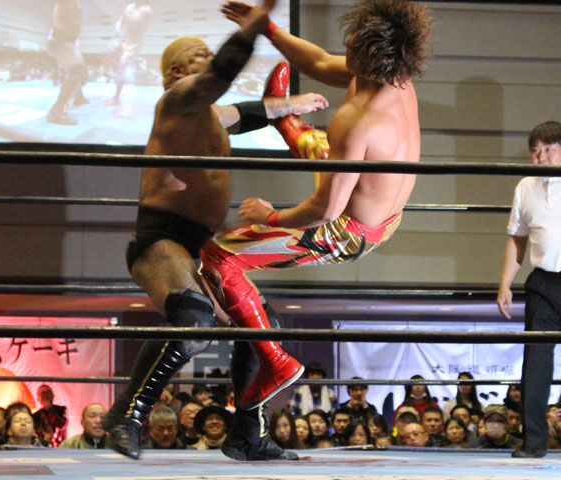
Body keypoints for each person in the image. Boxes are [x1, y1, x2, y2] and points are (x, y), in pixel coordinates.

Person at [102, 0, 328, 461]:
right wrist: (251, 30)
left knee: (263, 326)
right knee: (193, 320)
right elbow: (219, 76)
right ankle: (126, 416)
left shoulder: (208, 114)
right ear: (176, 72)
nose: (207, 58)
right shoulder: (175, 101)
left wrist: (292, 104)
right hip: (162, 239)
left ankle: (248, 433)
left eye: (208, 53)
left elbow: (247, 112)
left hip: (202, 244)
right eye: (198, 55)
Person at [202, 0, 433, 412]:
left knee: (219, 255)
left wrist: (270, 216)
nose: (347, 41)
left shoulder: (356, 119)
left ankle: (275, 362)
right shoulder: (395, 78)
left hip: (346, 231)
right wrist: (268, 29)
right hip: (384, 211)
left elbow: (325, 210)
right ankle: (286, 120)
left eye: (354, 40)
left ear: (367, 51)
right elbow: (321, 63)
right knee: (327, 150)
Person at [496, 120, 561, 458]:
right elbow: (517, 239)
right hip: (543, 281)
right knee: (535, 362)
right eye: (535, 151)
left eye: (549, 149)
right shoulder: (525, 186)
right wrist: (505, 284)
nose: (541, 157)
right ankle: (534, 442)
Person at [46, 0, 88, 125]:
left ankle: (78, 97)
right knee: (78, 72)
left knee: (81, 73)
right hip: (61, 38)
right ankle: (57, 112)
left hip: (67, 38)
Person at [106, 0, 153, 106]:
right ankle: (117, 71)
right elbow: (121, 21)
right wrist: (119, 35)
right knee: (109, 52)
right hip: (122, 38)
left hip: (133, 42)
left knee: (122, 65)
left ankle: (116, 98)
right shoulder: (130, 6)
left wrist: (123, 7)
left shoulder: (146, 10)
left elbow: (133, 22)